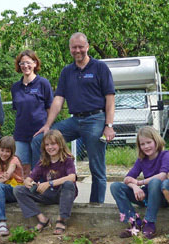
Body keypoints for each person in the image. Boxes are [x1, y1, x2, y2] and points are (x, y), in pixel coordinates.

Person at [33, 32, 115, 203]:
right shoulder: (67, 71)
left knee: (96, 166)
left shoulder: (100, 68)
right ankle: (42, 191)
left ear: (87, 47)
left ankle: (96, 206)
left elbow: (110, 98)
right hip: (74, 120)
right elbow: (58, 99)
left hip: (95, 118)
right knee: (39, 139)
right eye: (74, 47)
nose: (77, 50)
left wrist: (109, 125)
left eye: (80, 47)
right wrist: (48, 125)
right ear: (70, 49)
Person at [110, 126, 169, 239]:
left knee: (155, 182)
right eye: (142, 144)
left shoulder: (166, 155)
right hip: (146, 195)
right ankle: (134, 222)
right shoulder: (141, 160)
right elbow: (127, 178)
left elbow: (163, 176)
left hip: (162, 197)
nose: (146, 146)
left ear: (156, 141)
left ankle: (149, 223)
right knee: (115, 186)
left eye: (149, 142)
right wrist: (135, 187)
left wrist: (139, 183)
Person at [14, 130, 77, 235]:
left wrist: (49, 183)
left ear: (60, 144)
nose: (50, 147)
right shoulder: (42, 161)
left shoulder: (67, 159)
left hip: (62, 194)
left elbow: (72, 177)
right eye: (47, 145)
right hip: (47, 194)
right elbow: (29, 178)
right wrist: (28, 183)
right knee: (18, 190)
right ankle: (42, 218)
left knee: (68, 184)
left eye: (53, 144)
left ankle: (61, 219)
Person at [11, 50, 53, 173]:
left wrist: (48, 126)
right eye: (22, 63)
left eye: (28, 62)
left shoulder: (43, 83)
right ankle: (27, 191)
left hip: (39, 133)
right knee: (23, 168)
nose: (25, 66)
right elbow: (17, 110)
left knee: (40, 166)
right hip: (21, 134)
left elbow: (50, 107)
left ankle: (41, 191)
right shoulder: (15, 88)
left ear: (35, 63)